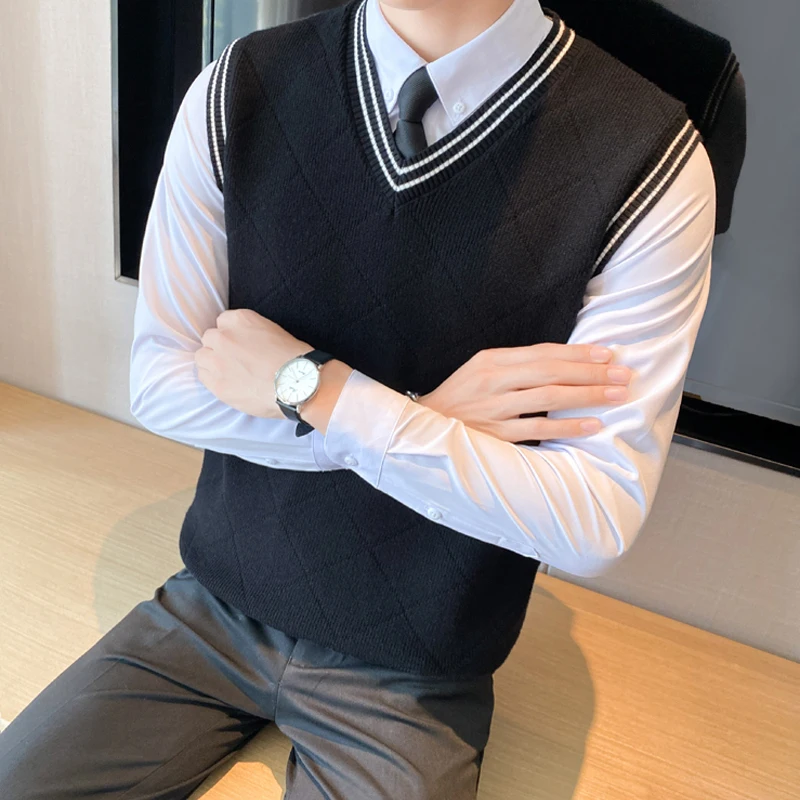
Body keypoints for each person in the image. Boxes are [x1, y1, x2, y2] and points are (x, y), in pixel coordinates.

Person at [0, 0, 715, 797]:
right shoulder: (237, 87)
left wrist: (320, 391)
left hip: (418, 668)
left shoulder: (652, 160)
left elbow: (591, 518)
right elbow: (163, 384)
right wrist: (425, 411)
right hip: (215, 603)